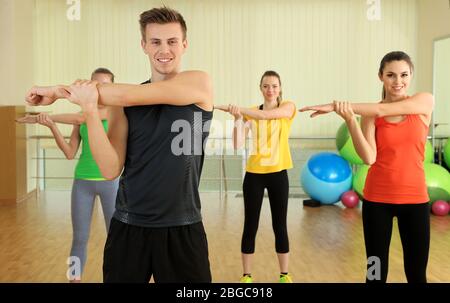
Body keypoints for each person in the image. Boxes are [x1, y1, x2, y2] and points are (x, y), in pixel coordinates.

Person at [25, 7, 213, 283]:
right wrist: (89, 110)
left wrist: (58, 91)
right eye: (155, 42)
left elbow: (136, 93)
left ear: (184, 44)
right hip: (129, 226)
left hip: (183, 226)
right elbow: (111, 168)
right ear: (144, 46)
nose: (165, 49)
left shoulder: (199, 84)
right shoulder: (120, 104)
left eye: (172, 41)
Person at [300, 51, 434, 283]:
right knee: (375, 273)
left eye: (403, 75)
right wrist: (351, 120)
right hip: (377, 201)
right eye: (390, 75)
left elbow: (382, 109)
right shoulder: (370, 115)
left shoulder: (424, 101)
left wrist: (334, 105)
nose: (398, 81)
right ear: (381, 76)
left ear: (411, 75)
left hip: (415, 200)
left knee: (416, 274)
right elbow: (369, 157)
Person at [18, 68, 119, 282]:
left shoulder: (114, 113)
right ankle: (74, 279)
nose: (99, 90)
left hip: (111, 184)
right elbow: (69, 152)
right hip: (82, 182)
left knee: (116, 240)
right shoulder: (82, 121)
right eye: (94, 85)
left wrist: (41, 118)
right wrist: (51, 125)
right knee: (79, 239)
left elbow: (81, 116)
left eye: (104, 85)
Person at [215, 70, 296, 283]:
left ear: (280, 88)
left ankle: (284, 274)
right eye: (266, 86)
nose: (270, 90)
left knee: (280, 225)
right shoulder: (250, 112)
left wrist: (241, 110)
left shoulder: (288, 107)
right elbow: (237, 143)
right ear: (260, 89)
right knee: (251, 224)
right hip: (254, 175)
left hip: (278, 174)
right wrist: (238, 118)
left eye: (274, 86)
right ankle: (246, 275)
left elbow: (267, 116)